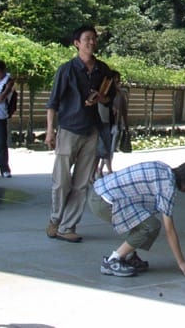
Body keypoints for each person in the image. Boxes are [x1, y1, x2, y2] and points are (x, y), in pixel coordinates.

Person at [45, 25, 112, 242]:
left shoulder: (103, 69)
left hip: (91, 130)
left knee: (81, 183)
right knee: (61, 181)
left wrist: (100, 99)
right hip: (68, 129)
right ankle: (55, 219)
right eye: (87, 39)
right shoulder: (66, 69)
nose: (91, 42)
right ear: (77, 43)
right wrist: (49, 131)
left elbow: (109, 97)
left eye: (94, 39)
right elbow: (53, 102)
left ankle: (68, 226)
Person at [89, 158, 185, 277]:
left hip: (99, 193)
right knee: (151, 226)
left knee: (144, 220)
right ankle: (113, 261)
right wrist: (181, 262)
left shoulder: (163, 168)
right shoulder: (167, 187)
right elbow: (169, 230)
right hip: (104, 202)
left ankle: (128, 256)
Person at [95, 71, 128, 178]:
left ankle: (101, 169)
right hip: (103, 123)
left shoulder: (121, 94)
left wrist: (126, 125)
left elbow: (124, 111)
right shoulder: (102, 93)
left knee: (109, 149)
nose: (117, 83)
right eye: (115, 80)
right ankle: (108, 171)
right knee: (104, 149)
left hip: (115, 124)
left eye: (118, 81)